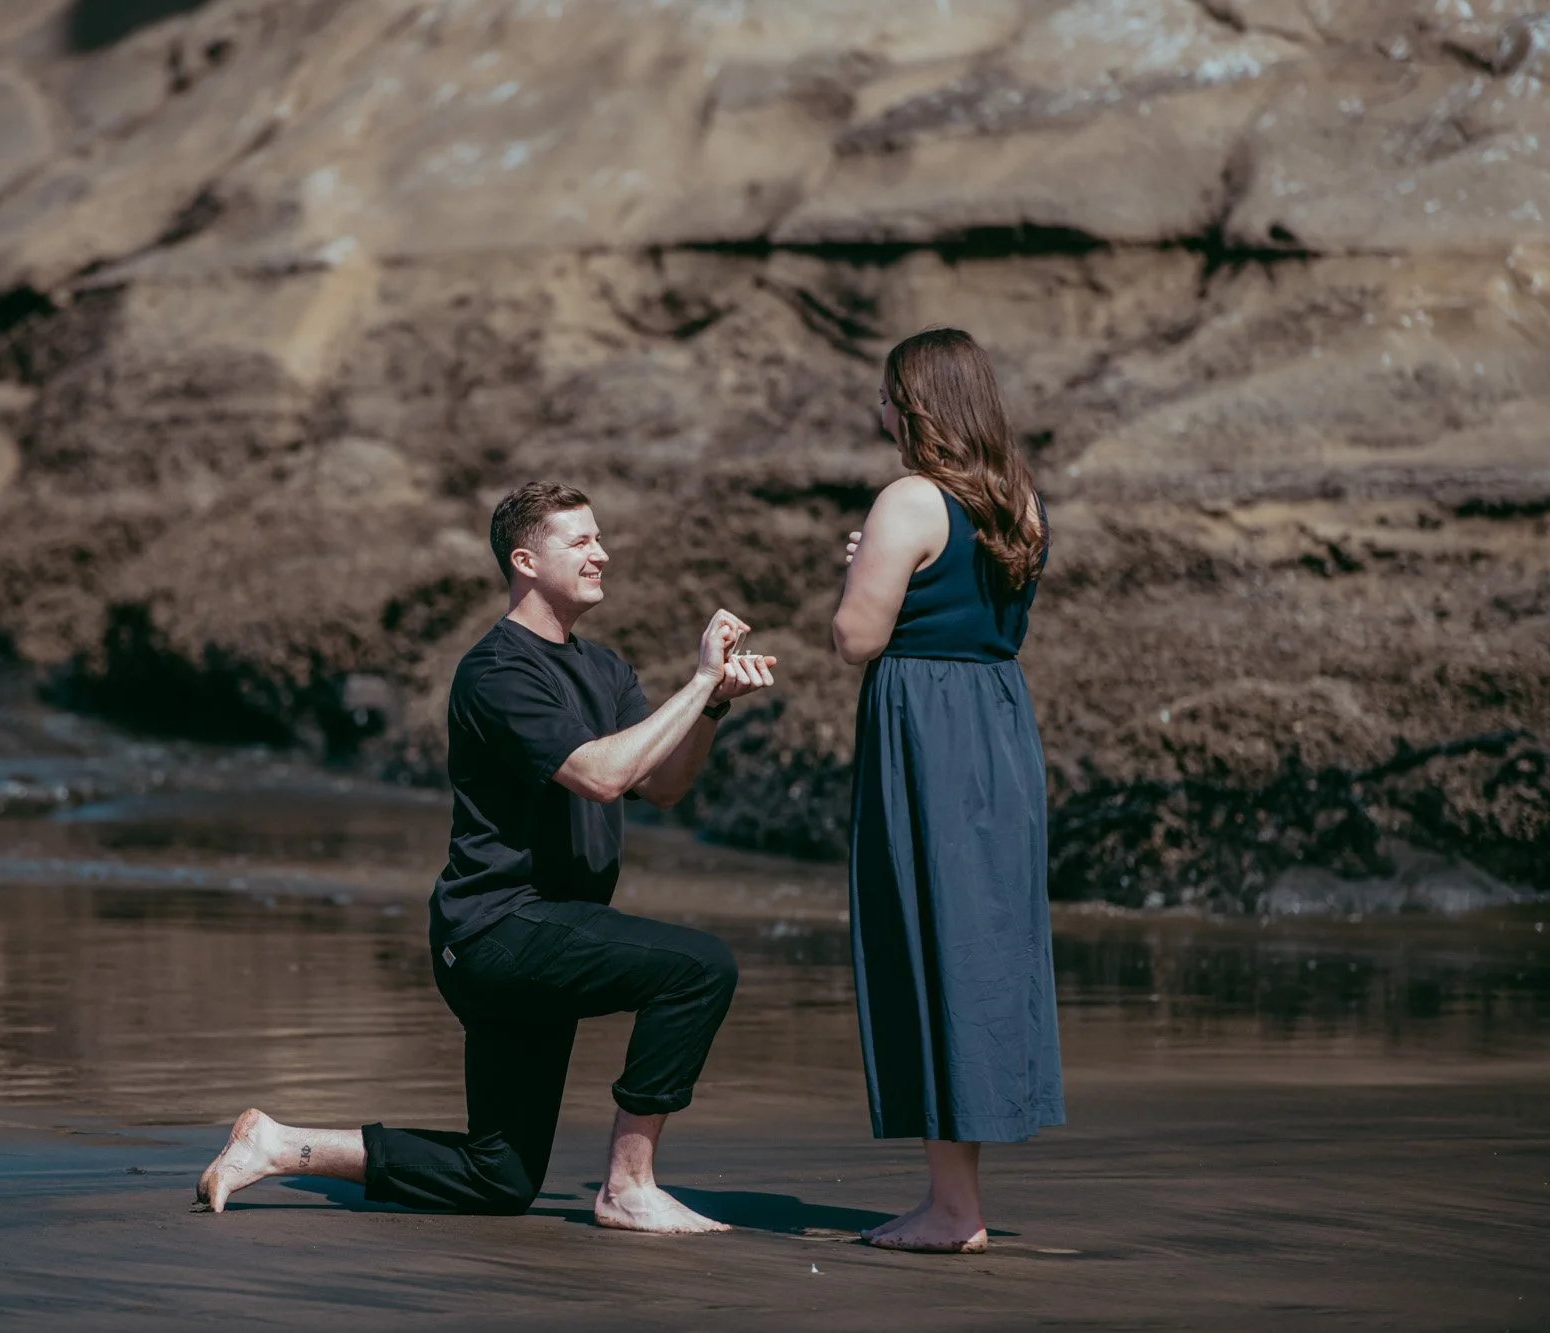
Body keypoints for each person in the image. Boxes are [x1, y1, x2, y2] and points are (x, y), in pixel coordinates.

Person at [197, 481, 777, 1232]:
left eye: (601, 537)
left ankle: (280, 1144)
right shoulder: (497, 671)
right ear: (525, 560)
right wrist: (696, 679)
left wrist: (714, 705)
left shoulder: (605, 669)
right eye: (582, 541)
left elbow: (661, 784)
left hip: (549, 931)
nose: (602, 553)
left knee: (498, 1175)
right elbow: (601, 775)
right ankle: (628, 1184)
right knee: (699, 967)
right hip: (498, 931)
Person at [831, 327, 1065, 1254]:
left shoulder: (907, 498)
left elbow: (856, 637)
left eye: (888, 395)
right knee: (981, 943)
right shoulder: (1020, 501)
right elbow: (964, 596)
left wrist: (855, 569)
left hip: (925, 730)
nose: (879, 412)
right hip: (999, 726)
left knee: (926, 942)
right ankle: (955, 1195)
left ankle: (951, 1206)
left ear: (919, 404)